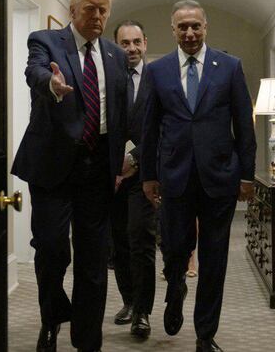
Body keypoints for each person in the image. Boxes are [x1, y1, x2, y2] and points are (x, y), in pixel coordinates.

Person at [11, 0, 129, 352]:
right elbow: (34, 72)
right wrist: (51, 84)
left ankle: (87, 340)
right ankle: (52, 319)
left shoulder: (114, 54)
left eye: (104, 11)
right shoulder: (45, 40)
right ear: (73, 10)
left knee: (94, 259)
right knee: (51, 249)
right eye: (91, 9)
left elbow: (122, 109)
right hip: (52, 166)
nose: (97, 17)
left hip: (97, 167)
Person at [141, 0, 257, 352]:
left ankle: (205, 334)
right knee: (175, 248)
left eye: (195, 26)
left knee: (214, 256)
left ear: (205, 27)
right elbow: (149, 128)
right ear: (172, 30)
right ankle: (175, 285)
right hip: (174, 175)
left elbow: (244, 124)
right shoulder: (157, 70)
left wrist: (247, 175)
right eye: (182, 27)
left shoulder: (230, 67)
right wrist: (148, 174)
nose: (189, 33)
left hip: (219, 175)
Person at [110, 19, 157, 339]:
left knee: (141, 240)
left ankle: (142, 311)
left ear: (145, 43)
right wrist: (113, 164)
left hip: (145, 175)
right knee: (117, 244)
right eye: (124, 43)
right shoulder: (106, 77)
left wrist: (135, 158)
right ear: (116, 46)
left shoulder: (157, 78)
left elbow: (165, 125)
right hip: (110, 177)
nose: (131, 48)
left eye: (136, 42)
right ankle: (128, 301)